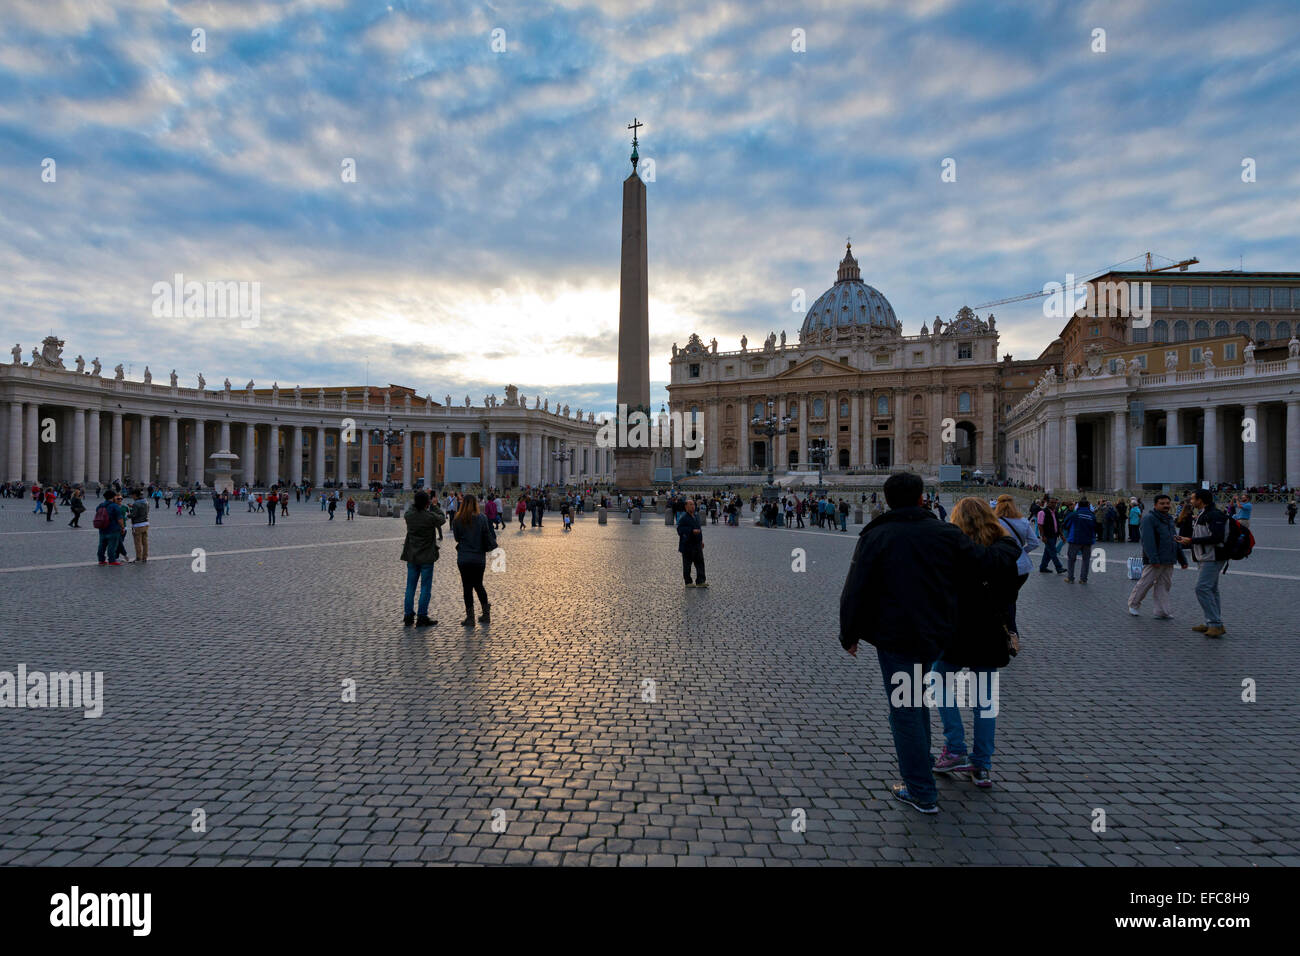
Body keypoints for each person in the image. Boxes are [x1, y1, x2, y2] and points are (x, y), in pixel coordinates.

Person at [839, 473, 1020, 814]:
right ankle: (925, 776)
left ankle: (921, 791)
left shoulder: (876, 535)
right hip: (936, 634)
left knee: (906, 711)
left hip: (896, 638)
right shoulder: (945, 533)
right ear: (923, 498)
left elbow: (855, 588)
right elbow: (990, 563)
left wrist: (849, 634)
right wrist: (1007, 539)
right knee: (916, 703)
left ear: (888, 500)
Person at [931, 498, 1022, 789]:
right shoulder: (1007, 550)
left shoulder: (953, 550)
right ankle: (981, 765)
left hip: (958, 629)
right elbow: (1012, 591)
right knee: (985, 701)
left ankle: (955, 746)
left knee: (939, 680)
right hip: (991, 630)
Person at [1176, 489, 1229, 638]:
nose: (1191, 501)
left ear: (1201, 500)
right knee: (1211, 589)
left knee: (1202, 588)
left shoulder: (1214, 515)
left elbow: (1217, 537)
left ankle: (1215, 623)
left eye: (1193, 499)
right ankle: (1212, 622)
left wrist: (1192, 541)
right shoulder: (1203, 514)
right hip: (1204, 556)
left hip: (1213, 556)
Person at [993, 494, 1038, 635]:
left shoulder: (995, 522)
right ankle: (1012, 632)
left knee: (1003, 599)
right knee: (1011, 598)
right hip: (1022, 567)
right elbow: (1034, 543)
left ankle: (1008, 633)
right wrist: (1021, 551)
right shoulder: (1023, 521)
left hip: (1003, 565)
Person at [1128, 493, 1177, 619]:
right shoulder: (1148, 518)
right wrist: (1153, 558)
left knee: (1164, 585)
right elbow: (1148, 541)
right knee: (1146, 582)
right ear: (1155, 505)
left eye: (1167, 503)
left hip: (1168, 558)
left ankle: (1162, 611)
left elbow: (1174, 539)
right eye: (1162, 503)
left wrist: (1181, 557)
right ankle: (1133, 604)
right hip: (1155, 558)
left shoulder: (1169, 519)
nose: (1166, 506)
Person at [400, 490, 445, 627]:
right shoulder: (429, 517)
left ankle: (408, 616)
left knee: (410, 587)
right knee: (425, 587)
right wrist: (434, 505)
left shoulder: (409, 516)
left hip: (412, 556)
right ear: (427, 503)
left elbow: (411, 509)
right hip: (426, 558)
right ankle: (422, 616)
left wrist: (419, 503)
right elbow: (442, 518)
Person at [452, 494, 496, 626]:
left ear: (463, 503)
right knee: (478, 585)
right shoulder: (482, 518)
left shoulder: (458, 519)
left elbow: (457, 538)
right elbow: (487, 535)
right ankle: (486, 614)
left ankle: (470, 618)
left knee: (467, 587)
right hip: (478, 558)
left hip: (464, 558)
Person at [1062, 497, 1096, 584]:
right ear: (1088, 506)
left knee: (1071, 559)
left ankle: (1070, 578)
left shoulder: (1074, 514)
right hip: (1088, 540)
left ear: (1078, 506)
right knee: (1086, 560)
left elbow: (1065, 525)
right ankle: (1083, 579)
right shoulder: (1092, 516)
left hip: (1075, 539)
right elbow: (1095, 527)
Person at [676, 497, 707, 588]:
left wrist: (701, 541)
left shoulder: (696, 516)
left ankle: (701, 581)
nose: (693, 506)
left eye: (693, 504)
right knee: (687, 564)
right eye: (690, 505)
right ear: (686, 507)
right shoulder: (683, 518)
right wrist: (691, 531)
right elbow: (679, 530)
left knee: (700, 563)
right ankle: (688, 582)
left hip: (697, 544)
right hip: (687, 545)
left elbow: (699, 529)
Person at [95, 489, 124, 566]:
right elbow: (120, 519)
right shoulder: (115, 506)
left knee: (101, 545)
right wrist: (122, 527)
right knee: (112, 545)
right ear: (113, 497)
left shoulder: (100, 505)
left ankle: (101, 560)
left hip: (102, 528)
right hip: (113, 529)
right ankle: (112, 560)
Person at [1036, 498, 1065, 573]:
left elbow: (1058, 525)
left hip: (1054, 535)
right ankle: (1059, 567)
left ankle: (1043, 567)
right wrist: (1043, 536)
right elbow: (1040, 525)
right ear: (1047, 503)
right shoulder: (1042, 512)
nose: (1054, 504)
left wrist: (1061, 535)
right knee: (1053, 551)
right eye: (1052, 502)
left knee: (1048, 552)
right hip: (1047, 536)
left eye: (1055, 503)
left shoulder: (1055, 512)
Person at [129, 488, 150, 562]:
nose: (132, 497)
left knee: (138, 542)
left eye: (132, 496)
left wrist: (128, 515)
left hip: (138, 525)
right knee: (145, 542)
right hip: (146, 523)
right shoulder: (146, 502)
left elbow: (134, 515)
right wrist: (133, 507)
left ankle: (138, 557)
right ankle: (145, 557)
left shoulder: (136, 503)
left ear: (135, 495)